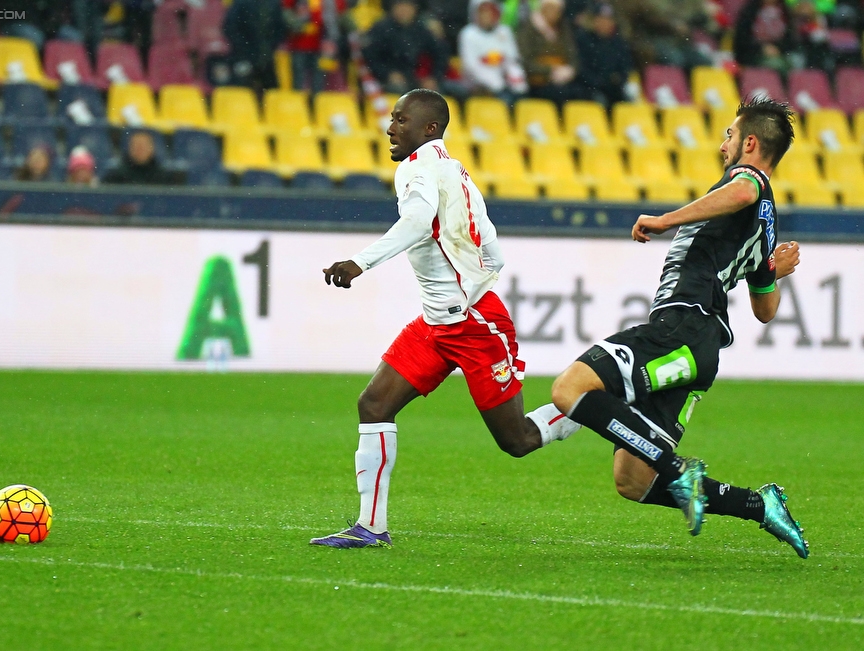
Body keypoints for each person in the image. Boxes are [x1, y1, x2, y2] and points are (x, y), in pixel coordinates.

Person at [532, 97, 810, 558]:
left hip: (682, 326)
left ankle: (679, 468)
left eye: (729, 134)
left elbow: (743, 188)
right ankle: (759, 506)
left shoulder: (749, 181)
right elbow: (765, 310)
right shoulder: (764, 226)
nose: (723, 144)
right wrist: (770, 271)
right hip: (701, 347)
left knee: (570, 389)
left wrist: (664, 219)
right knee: (633, 479)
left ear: (751, 142)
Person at [309, 89, 572, 549]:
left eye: (401, 119)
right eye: (391, 119)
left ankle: (590, 405)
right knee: (374, 405)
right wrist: (475, 274)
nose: (391, 127)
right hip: (436, 324)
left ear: (428, 128)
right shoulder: (453, 169)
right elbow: (491, 244)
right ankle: (370, 528)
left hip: (473, 325)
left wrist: (359, 263)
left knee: (518, 440)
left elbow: (416, 223)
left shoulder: (417, 169)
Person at [362, 0, 449, 94]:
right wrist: (387, 74)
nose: (404, 10)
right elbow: (370, 58)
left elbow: (440, 54)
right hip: (386, 80)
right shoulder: (380, 29)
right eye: (400, 6)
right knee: (400, 91)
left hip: (415, 78)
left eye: (408, 7)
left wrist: (433, 77)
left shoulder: (421, 30)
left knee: (450, 91)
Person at [515, 0, 590, 105]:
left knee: (583, 94)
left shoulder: (564, 29)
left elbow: (573, 55)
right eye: (550, 8)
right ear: (542, 9)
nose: (554, 13)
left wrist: (570, 70)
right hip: (537, 81)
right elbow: (525, 61)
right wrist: (551, 70)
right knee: (559, 94)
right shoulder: (528, 29)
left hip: (562, 79)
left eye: (557, 10)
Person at [459, 0, 529, 104]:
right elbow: (471, 66)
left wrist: (516, 80)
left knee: (522, 94)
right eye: (483, 12)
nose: (487, 15)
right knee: (504, 99)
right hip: (479, 83)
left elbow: (512, 58)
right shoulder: (468, 34)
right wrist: (495, 82)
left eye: (490, 11)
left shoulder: (504, 31)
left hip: (504, 79)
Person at [575, 2, 634, 107]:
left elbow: (625, 69)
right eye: (601, 19)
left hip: (614, 89)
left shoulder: (619, 43)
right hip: (590, 89)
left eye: (608, 19)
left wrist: (616, 81)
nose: (604, 22)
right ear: (594, 20)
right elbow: (581, 69)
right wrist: (599, 82)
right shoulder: (584, 40)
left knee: (627, 105)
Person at [733, 0, 797, 73]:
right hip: (754, 56)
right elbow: (742, 39)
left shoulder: (785, 12)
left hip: (781, 53)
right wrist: (761, 48)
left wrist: (778, 48)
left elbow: (791, 39)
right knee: (776, 65)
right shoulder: (750, 11)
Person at [102, 131, 182, 186]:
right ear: (129, 148)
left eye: (143, 146)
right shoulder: (116, 176)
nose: (140, 150)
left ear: (152, 148)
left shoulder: (164, 176)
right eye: (136, 146)